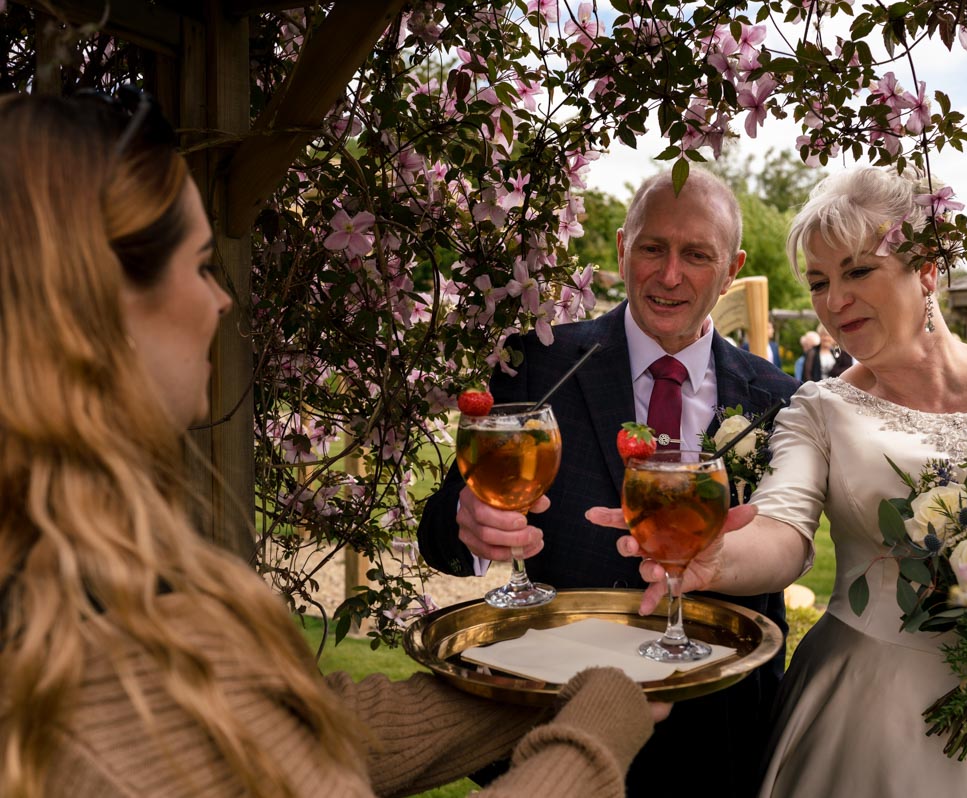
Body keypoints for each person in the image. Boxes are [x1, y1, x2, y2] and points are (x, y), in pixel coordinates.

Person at [0, 91, 658, 798]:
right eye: (199, 266)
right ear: (99, 306)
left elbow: (283, 731)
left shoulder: (80, 566)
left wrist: (544, 681)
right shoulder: (95, 657)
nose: (221, 301)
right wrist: (596, 733)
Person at [593, 167, 967, 797]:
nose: (833, 300)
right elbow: (782, 530)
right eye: (819, 282)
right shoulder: (817, 409)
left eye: (856, 271)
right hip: (864, 714)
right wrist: (714, 556)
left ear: (926, 267)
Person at [418, 168, 799, 796]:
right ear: (623, 248)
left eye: (696, 255)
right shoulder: (535, 360)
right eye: (653, 247)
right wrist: (465, 520)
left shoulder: (779, 400)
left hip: (720, 741)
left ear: (731, 269)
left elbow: (788, 545)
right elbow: (440, 529)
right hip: (552, 726)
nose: (669, 274)